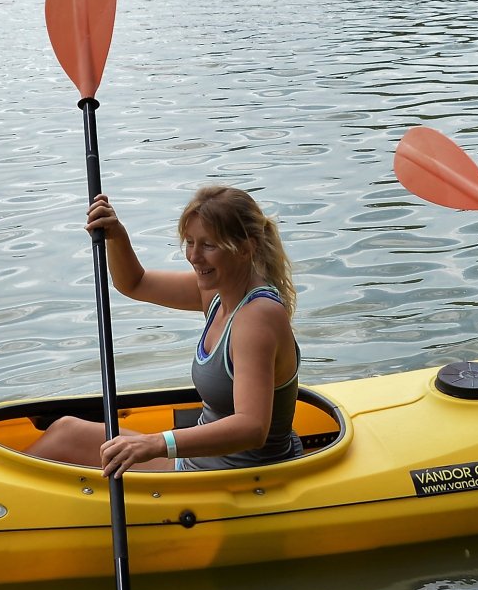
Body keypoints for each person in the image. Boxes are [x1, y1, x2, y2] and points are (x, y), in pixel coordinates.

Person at [29, 185, 302, 477]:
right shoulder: (218, 292)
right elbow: (135, 283)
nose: (194, 256)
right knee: (64, 431)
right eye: (190, 242)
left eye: (208, 245)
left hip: (233, 477)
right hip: (201, 461)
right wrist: (116, 235)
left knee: (63, 441)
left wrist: (158, 443)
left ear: (246, 248)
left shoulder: (257, 317)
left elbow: (252, 427)